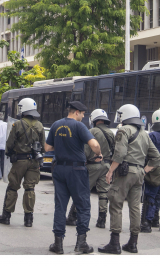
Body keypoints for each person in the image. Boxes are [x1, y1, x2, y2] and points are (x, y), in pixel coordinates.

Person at [98, 104, 160, 255]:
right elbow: (157, 157)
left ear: (125, 115)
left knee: (116, 204)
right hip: (139, 173)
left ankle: (115, 243)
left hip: (125, 173)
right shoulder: (145, 133)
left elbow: (119, 154)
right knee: (135, 208)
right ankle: (133, 243)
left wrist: (110, 171)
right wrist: (144, 170)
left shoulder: (124, 130)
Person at [47, 101, 102, 255]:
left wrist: (62, 144)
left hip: (59, 168)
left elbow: (47, 147)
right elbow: (94, 145)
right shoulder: (79, 126)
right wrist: (98, 154)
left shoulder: (56, 125)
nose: (83, 117)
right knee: (83, 206)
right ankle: (81, 243)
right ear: (76, 112)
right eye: (83, 114)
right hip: (76, 170)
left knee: (60, 206)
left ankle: (58, 244)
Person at [0, 97, 45, 227]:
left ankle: (6, 216)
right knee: (30, 188)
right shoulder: (40, 125)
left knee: (13, 187)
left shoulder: (17, 124)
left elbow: (10, 143)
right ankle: (28, 219)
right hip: (34, 161)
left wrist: (9, 154)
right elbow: (43, 146)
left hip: (20, 161)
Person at [65, 108, 115, 230]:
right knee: (103, 193)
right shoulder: (111, 133)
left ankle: (73, 216)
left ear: (94, 119)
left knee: (82, 191)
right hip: (107, 165)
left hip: (92, 165)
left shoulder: (92, 131)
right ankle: (102, 220)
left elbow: (86, 150)